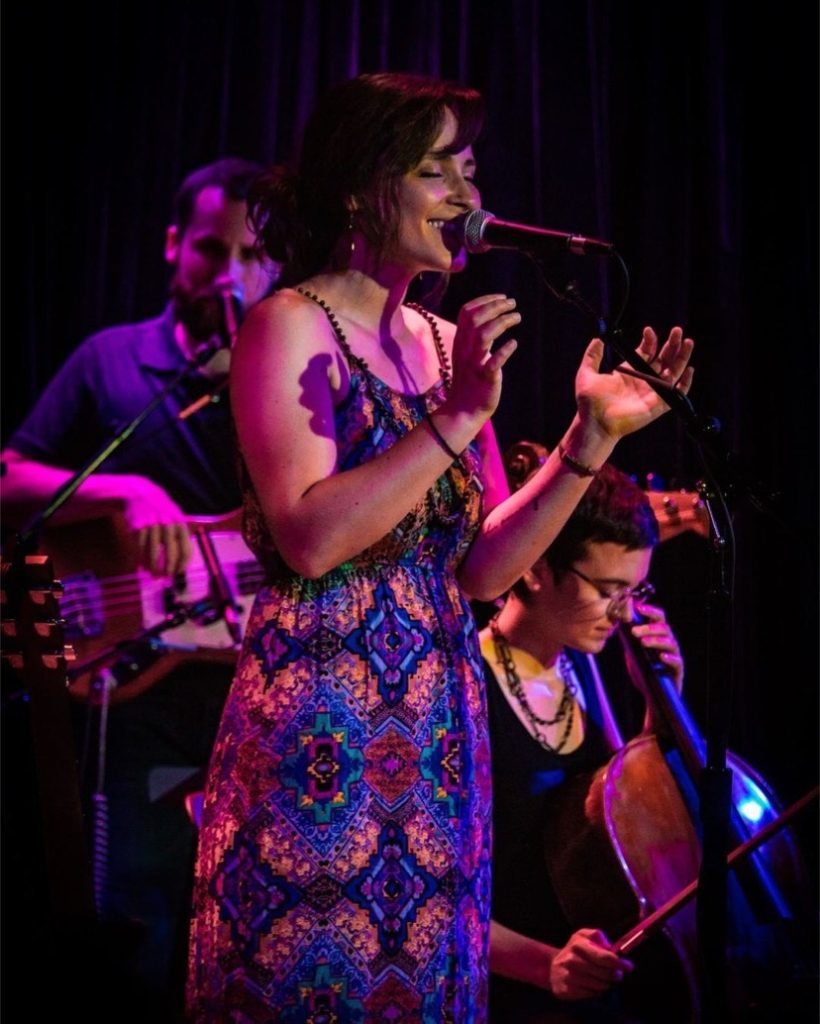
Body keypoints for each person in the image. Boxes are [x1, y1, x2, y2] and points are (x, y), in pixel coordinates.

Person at [186, 71, 694, 1022]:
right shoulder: (288, 325)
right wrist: (456, 416)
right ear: (359, 189)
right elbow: (310, 536)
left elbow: (485, 569)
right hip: (322, 730)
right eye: (436, 169)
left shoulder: (440, 340)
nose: (467, 193)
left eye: (469, 167)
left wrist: (589, 440)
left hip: (435, 737)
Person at [2, 157, 280, 1019]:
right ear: (172, 245)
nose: (229, 272)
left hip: (261, 696)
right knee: (137, 914)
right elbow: (9, 476)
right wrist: (121, 490)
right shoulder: (113, 359)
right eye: (211, 249)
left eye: (252, 255)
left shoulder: (291, 377)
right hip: (135, 693)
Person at [481, 443, 687, 1022]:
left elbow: (617, 820)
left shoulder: (584, 666)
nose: (622, 613)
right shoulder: (467, 684)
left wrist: (662, 705)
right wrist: (544, 965)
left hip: (590, 986)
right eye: (606, 590)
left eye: (633, 592)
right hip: (511, 997)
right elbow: (434, 896)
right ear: (535, 567)